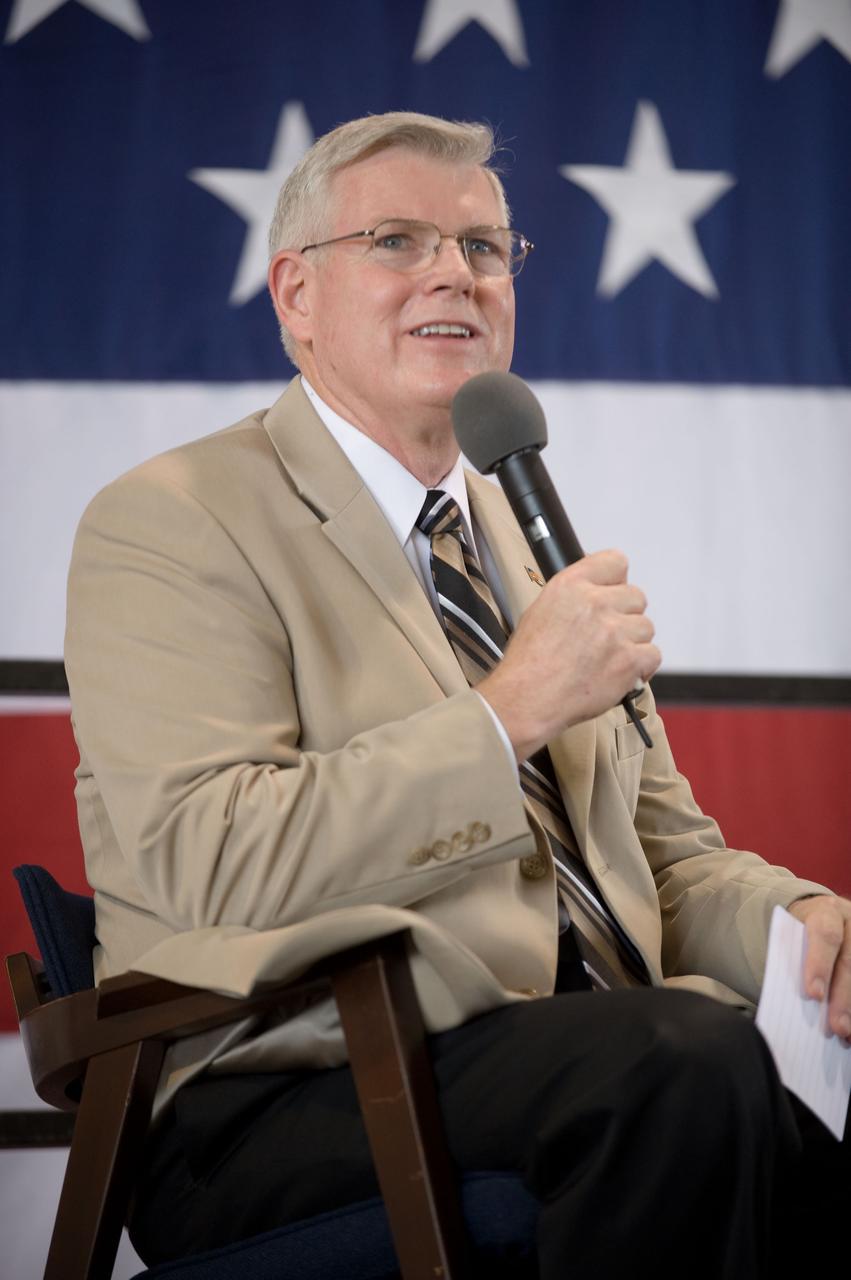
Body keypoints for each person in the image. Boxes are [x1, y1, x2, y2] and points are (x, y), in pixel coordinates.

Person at [64, 111, 850, 1277]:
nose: (455, 273)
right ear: (295, 295)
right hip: (283, 1083)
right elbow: (207, 858)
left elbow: (662, 860)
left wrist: (801, 928)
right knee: (681, 1062)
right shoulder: (173, 519)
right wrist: (504, 712)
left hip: (571, 1047)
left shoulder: (523, 546)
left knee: (774, 1070)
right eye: (397, 240)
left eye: (483, 247)